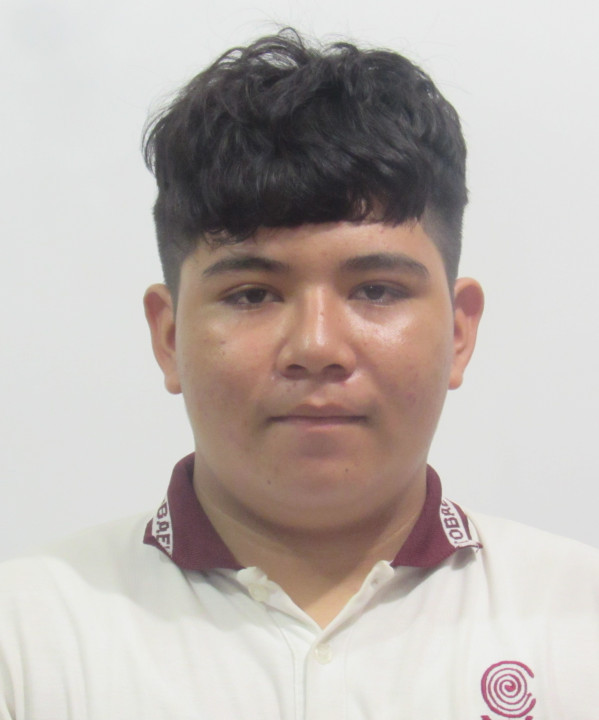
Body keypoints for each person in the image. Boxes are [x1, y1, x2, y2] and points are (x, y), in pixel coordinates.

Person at [1, 28, 598, 720]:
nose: (316, 346)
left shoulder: (578, 622)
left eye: (376, 290)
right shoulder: (26, 640)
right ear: (169, 338)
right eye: (252, 294)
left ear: (459, 332)